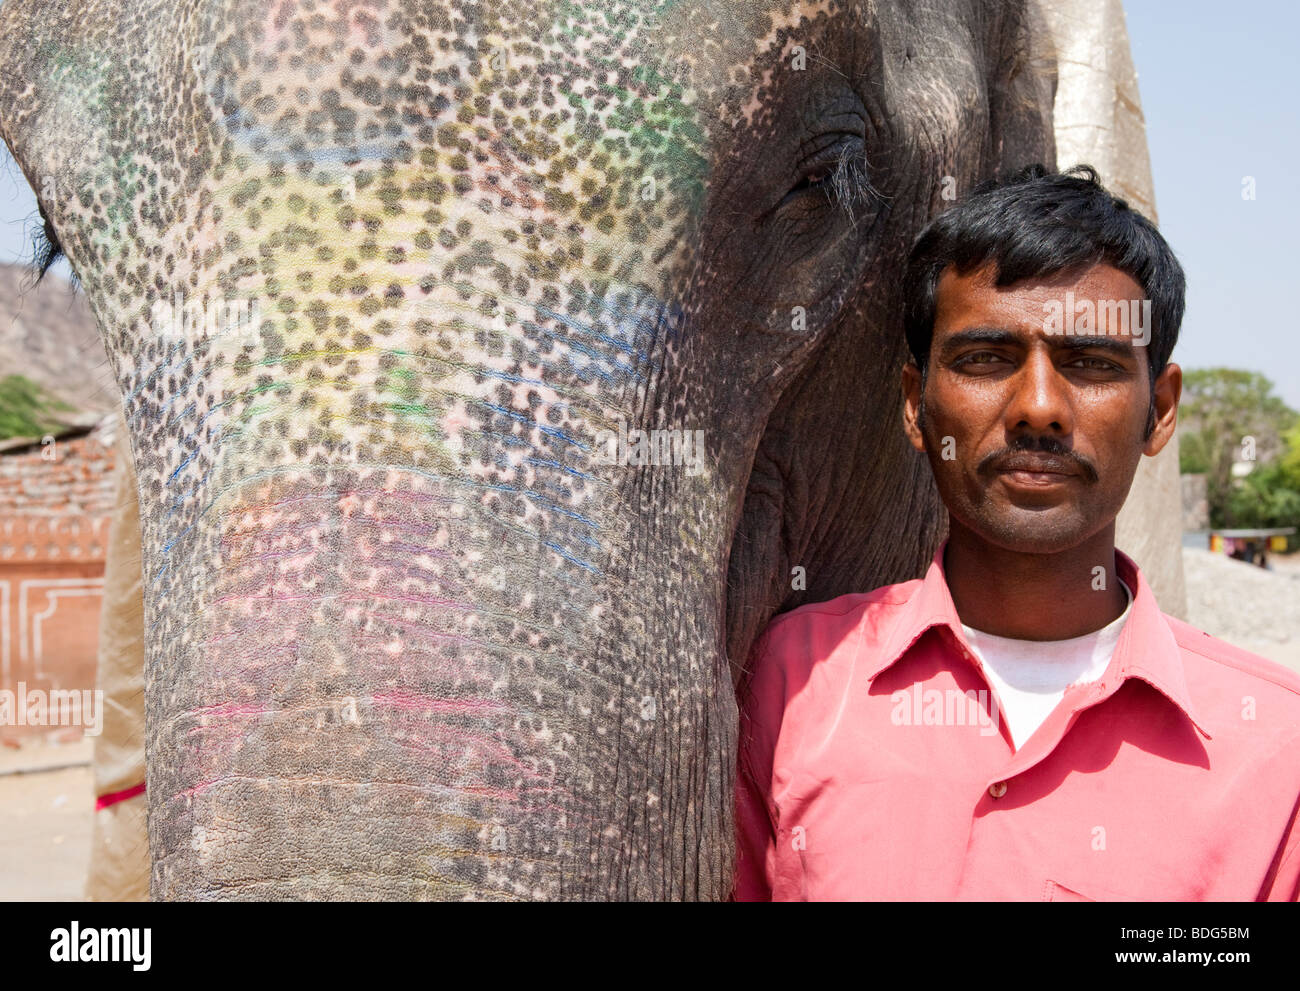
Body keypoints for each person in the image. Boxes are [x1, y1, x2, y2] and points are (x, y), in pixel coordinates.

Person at [733, 165, 1300, 901]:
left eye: (1090, 363)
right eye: (986, 359)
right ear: (916, 406)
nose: (1038, 407)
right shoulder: (790, 681)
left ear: (1159, 411)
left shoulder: (1277, 746)